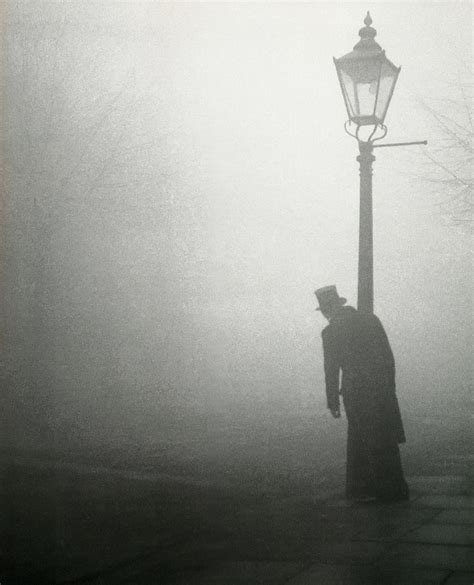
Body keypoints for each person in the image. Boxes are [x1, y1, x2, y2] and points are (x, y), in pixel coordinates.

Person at [315, 285, 409, 503]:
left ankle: (381, 492)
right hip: (381, 388)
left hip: (356, 393)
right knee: (386, 439)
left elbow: (331, 369)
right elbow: (388, 356)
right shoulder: (370, 320)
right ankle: (396, 488)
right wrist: (389, 385)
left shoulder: (330, 332)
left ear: (327, 310)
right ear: (341, 303)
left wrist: (332, 402)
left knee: (366, 442)